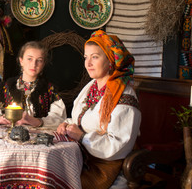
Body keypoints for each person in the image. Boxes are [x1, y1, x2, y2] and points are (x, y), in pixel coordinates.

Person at [56, 30, 141, 189]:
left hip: (108, 172)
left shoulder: (124, 96)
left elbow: (118, 146)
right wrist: (67, 124)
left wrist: (82, 137)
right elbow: (80, 119)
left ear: (110, 61)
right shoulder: (91, 87)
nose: (88, 64)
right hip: (83, 162)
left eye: (95, 57)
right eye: (86, 57)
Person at [0, 41, 67, 128]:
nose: (34, 64)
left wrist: (38, 122)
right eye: (29, 59)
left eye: (39, 60)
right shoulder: (6, 87)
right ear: (21, 61)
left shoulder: (49, 89)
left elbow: (60, 120)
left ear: (43, 64)